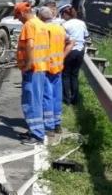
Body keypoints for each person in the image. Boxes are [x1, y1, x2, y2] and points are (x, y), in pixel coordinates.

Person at [14, 2, 50, 145]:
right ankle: (35, 130)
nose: (18, 20)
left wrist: (28, 64)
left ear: (22, 13)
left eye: (17, 16)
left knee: (31, 102)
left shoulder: (29, 25)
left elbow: (30, 45)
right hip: (41, 68)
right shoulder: (40, 24)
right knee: (37, 100)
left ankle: (37, 135)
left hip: (33, 69)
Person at [37, 7, 73, 135]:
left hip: (46, 67)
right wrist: (62, 56)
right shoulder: (60, 28)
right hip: (58, 66)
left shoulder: (43, 29)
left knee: (47, 96)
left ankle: (49, 126)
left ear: (40, 17)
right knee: (56, 96)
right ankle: (57, 124)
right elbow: (71, 43)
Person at [59, 4, 89, 105]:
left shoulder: (65, 25)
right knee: (74, 75)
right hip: (80, 51)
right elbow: (86, 36)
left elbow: (62, 39)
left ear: (65, 14)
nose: (62, 17)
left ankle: (67, 99)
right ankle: (75, 99)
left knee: (66, 74)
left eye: (62, 14)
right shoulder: (82, 23)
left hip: (69, 50)